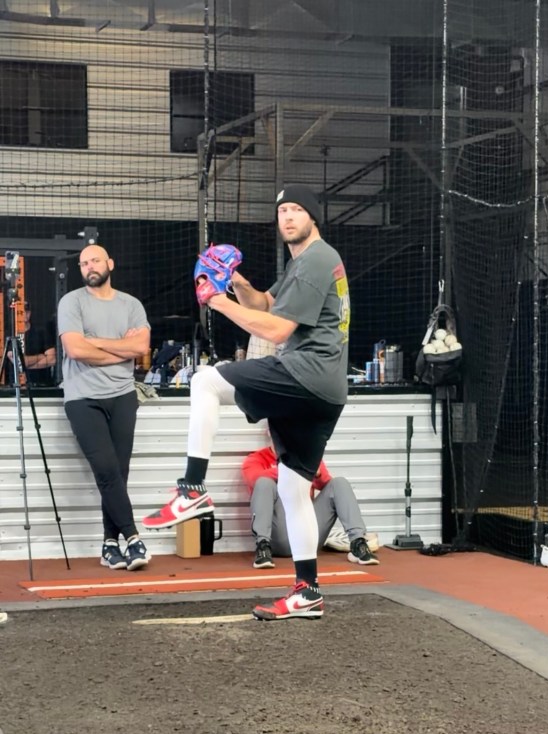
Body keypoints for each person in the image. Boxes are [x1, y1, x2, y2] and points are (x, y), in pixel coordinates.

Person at [143, 184, 351, 621]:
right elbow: (267, 304)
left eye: (296, 210)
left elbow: (275, 330)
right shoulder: (305, 262)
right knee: (293, 489)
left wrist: (217, 300)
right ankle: (308, 592)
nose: (287, 217)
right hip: (325, 391)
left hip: (304, 374)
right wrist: (235, 281)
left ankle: (192, 489)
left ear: (313, 217)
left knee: (205, 380)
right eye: (282, 210)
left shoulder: (315, 259)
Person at [57, 244, 152, 571]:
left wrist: (94, 341)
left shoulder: (131, 305)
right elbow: (75, 349)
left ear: (110, 263)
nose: (89, 267)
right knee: (107, 470)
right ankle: (133, 538)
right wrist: (121, 349)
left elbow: (141, 346)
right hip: (82, 398)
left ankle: (110, 545)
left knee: (119, 473)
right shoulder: (71, 302)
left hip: (123, 395)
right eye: (84, 263)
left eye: (95, 260)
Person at [242, 439, 380, 569]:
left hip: (308, 534)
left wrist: (316, 473)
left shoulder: (307, 456)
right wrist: (297, 469)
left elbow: (329, 486)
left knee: (339, 483)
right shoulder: (256, 458)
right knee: (264, 482)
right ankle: (263, 547)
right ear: (271, 431)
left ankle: (358, 543)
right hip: (279, 536)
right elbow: (253, 479)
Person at [7, 302, 56, 386]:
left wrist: (27, 367)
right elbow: (19, 362)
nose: (25, 314)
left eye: (27, 311)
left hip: (41, 385)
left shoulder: (41, 332)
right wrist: (41, 356)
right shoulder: (10, 334)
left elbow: (52, 359)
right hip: (16, 386)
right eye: (21, 312)